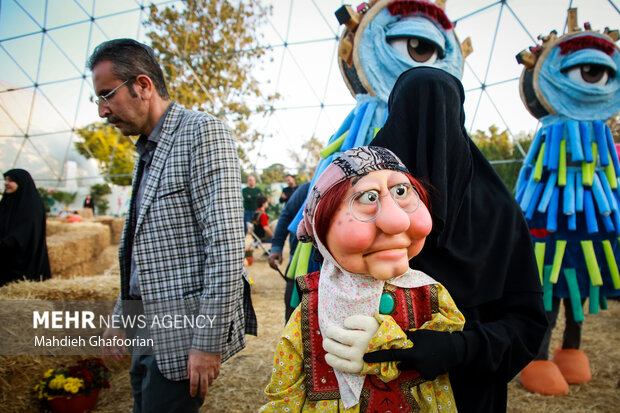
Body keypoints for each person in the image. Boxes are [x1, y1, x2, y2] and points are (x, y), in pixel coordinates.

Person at [88, 38, 256, 412]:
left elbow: (226, 247)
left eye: (107, 95)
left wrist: (207, 342)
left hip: (184, 335)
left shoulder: (202, 133)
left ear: (143, 86)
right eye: (97, 99)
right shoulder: (147, 150)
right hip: (147, 327)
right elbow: (139, 254)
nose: (102, 111)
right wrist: (121, 318)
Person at [366, 67, 548, 412]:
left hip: (468, 392)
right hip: (370, 388)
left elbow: (527, 323)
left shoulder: (498, 212)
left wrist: (459, 349)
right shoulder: (360, 202)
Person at [261, 146, 465, 412]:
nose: (396, 221)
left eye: (401, 192)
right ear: (321, 231)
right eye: (367, 198)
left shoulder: (427, 293)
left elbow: (450, 343)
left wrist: (391, 342)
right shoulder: (313, 306)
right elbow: (285, 390)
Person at [268, 181, 312, 322]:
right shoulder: (307, 188)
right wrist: (276, 247)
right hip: (300, 261)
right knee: (294, 313)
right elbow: (286, 215)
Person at [0, 169, 52, 287]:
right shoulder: (8, 201)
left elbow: (24, 233)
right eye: (6, 180)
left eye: (11, 180)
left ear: (21, 183)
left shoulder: (31, 205)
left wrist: (5, 243)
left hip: (23, 261)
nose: (6, 183)